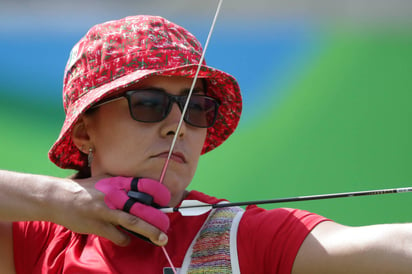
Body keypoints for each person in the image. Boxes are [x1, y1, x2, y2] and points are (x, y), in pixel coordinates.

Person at [1, 14, 412, 274]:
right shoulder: (40, 239)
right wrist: (58, 198)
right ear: (85, 132)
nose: (177, 127)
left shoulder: (242, 237)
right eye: (149, 103)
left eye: (196, 108)